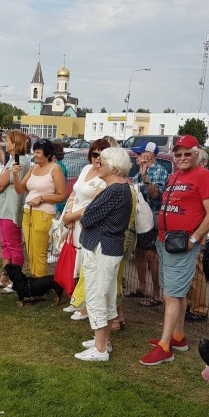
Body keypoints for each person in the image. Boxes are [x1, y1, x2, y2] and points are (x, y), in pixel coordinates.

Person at [139, 135, 209, 366]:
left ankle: (165, 346)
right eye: (178, 154)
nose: (182, 158)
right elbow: (159, 198)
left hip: (182, 244)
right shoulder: (175, 176)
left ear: (196, 154)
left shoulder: (203, 176)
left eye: (187, 153)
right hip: (166, 241)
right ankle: (178, 337)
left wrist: (193, 239)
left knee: (171, 295)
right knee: (177, 292)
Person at [71, 147, 133, 362]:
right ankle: (103, 341)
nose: (97, 164)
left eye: (102, 162)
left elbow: (87, 219)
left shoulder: (114, 190)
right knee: (105, 296)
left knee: (97, 296)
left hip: (102, 248)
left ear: (114, 167)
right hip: (107, 248)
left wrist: (87, 211)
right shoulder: (118, 188)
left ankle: (99, 349)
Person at [61, 139, 110, 322]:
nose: (97, 158)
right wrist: (68, 213)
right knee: (77, 262)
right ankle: (77, 299)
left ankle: (86, 307)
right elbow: (74, 192)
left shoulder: (105, 177)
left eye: (101, 154)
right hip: (74, 220)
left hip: (89, 222)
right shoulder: (84, 169)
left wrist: (72, 216)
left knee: (87, 265)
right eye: (94, 154)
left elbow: (94, 203)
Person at [12, 138, 67, 277]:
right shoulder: (33, 168)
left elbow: (62, 195)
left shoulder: (55, 169)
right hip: (28, 212)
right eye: (34, 152)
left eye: (38, 152)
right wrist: (15, 174)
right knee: (30, 250)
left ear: (47, 154)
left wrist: (42, 198)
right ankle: (34, 282)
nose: (35, 155)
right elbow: (20, 189)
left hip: (44, 214)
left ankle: (39, 285)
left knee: (39, 252)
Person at [126, 141, 169, 307]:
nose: (136, 157)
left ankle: (157, 294)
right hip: (142, 219)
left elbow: (155, 194)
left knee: (152, 256)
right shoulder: (140, 172)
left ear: (150, 155)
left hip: (152, 219)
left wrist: (145, 177)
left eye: (139, 154)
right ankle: (142, 287)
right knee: (139, 253)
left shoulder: (157, 171)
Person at [0, 130, 30, 294]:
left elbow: (0, 184)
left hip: (12, 209)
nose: (6, 143)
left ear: (15, 143)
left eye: (8, 140)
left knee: (14, 246)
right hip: (4, 209)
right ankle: (5, 277)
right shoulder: (12, 160)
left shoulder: (21, 161)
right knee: (5, 244)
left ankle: (17, 280)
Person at [185, 148, 209, 322]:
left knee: (196, 271)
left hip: (198, 231)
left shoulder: (205, 178)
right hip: (189, 231)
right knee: (188, 270)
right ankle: (188, 304)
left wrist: (196, 236)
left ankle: (199, 309)